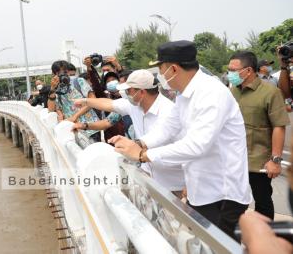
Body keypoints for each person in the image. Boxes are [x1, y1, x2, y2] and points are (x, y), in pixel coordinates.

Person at [108, 40, 252, 239]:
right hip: (201, 189)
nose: (159, 76)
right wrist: (140, 144)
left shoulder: (211, 92)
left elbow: (197, 145)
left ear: (173, 68)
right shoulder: (184, 96)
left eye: (160, 69)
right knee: (202, 244)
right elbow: (168, 127)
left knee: (220, 247)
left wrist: (144, 155)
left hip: (223, 193)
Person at [73, 69, 185, 193]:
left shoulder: (169, 112)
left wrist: (134, 144)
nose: (125, 93)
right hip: (148, 178)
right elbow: (108, 103)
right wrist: (86, 101)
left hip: (174, 185)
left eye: (128, 90)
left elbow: (186, 149)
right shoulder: (134, 106)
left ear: (141, 92)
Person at [227, 51, 289, 220]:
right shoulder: (232, 92)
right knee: (233, 202)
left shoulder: (270, 92)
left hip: (259, 162)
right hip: (234, 160)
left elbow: (279, 126)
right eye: (229, 69)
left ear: (248, 71)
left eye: (234, 69)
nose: (230, 73)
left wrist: (275, 160)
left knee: (262, 202)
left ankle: (266, 239)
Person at [47, 60, 101, 142]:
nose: (63, 75)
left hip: (90, 128)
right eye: (59, 73)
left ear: (68, 71)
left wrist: (75, 116)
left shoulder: (78, 81)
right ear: (54, 74)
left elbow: (93, 100)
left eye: (65, 72)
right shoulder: (56, 89)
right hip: (73, 130)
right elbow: (51, 109)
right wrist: (52, 89)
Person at [72, 71, 126, 141]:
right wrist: (84, 125)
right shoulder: (123, 104)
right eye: (108, 81)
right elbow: (106, 122)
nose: (112, 83)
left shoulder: (127, 102)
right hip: (116, 138)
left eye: (113, 80)